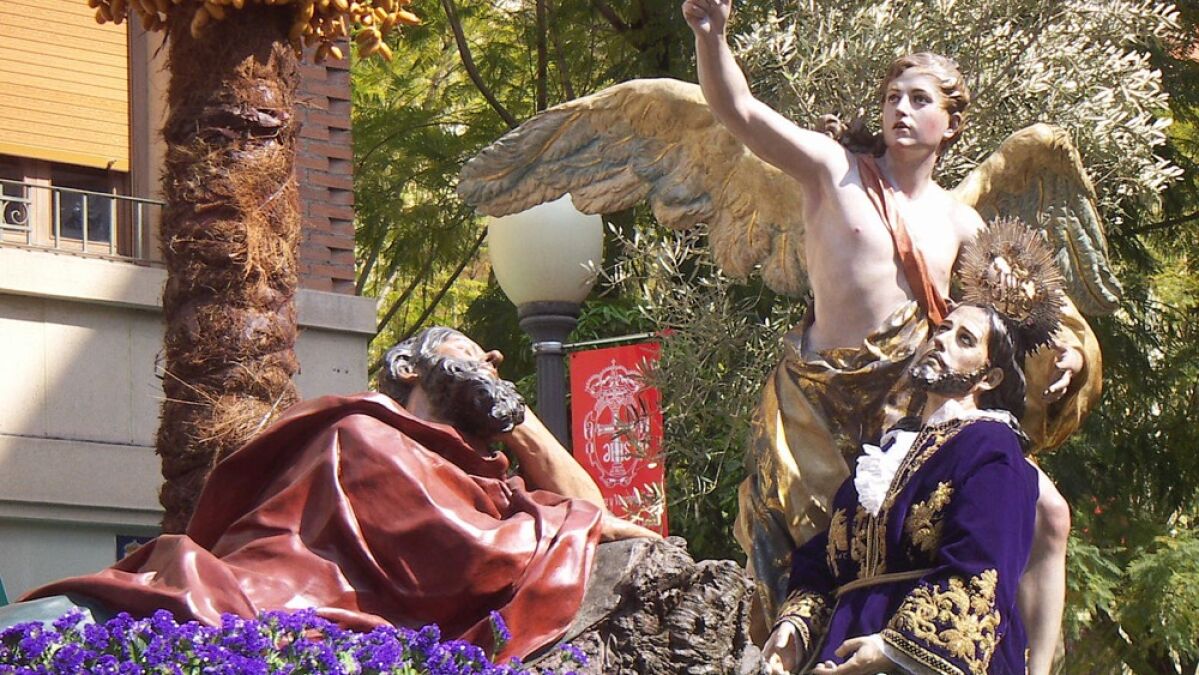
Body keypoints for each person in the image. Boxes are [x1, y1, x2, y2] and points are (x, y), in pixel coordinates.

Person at [680, 1, 1100, 670]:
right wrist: (711, 35)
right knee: (802, 553)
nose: (900, 109)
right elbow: (740, 111)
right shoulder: (833, 170)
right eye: (891, 97)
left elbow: (1021, 314)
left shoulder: (961, 223)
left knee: (1049, 513)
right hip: (817, 399)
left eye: (918, 99)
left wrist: (1069, 350)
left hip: (908, 404)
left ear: (950, 124)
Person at [21, 327, 656, 662]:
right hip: (247, 605)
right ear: (408, 370)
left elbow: (592, 510)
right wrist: (570, 520)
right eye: (467, 351)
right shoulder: (365, 434)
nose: (490, 356)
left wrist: (512, 414)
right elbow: (468, 558)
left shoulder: (492, 487)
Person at [761, 303, 1039, 674]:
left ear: (989, 378)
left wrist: (893, 650)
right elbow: (827, 557)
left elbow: (982, 568)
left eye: (965, 339)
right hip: (841, 652)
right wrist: (795, 630)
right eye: (943, 329)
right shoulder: (889, 449)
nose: (941, 340)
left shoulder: (991, 446)